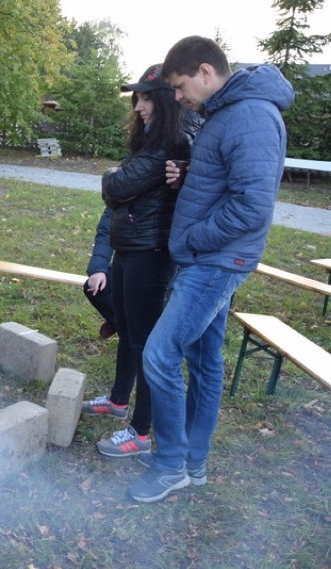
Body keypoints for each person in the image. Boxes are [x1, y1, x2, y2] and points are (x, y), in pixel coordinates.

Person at [128, 37, 294, 503]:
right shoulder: (227, 112)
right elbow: (226, 181)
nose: (176, 97)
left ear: (205, 71)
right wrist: (192, 174)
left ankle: (171, 464)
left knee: (160, 355)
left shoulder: (252, 116)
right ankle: (193, 462)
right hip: (209, 257)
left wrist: (193, 238)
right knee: (204, 362)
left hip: (216, 261)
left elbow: (252, 207)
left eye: (179, 87)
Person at [81, 63, 199, 459]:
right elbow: (117, 192)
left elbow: (116, 185)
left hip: (152, 253)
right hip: (131, 249)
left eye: (148, 97)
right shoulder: (151, 142)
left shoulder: (172, 142)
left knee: (147, 344)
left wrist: (117, 176)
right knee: (128, 332)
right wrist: (120, 180)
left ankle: (141, 432)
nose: (140, 105)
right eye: (138, 97)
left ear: (167, 100)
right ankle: (118, 401)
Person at [83, 207, 117, 341]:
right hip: (128, 261)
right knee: (94, 288)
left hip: (163, 266)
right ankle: (119, 323)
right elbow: (106, 231)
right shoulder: (120, 192)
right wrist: (98, 269)